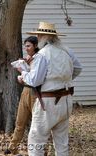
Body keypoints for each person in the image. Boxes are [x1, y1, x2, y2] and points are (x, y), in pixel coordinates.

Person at [18, 22, 82, 155]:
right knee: (61, 142)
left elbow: (35, 81)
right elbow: (77, 68)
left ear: (42, 36)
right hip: (66, 100)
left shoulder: (42, 54)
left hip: (48, 103)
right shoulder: (66, 51)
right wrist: (62, 81)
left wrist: (23, 74)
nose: (37, 37)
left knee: (36, 140)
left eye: (38, 35)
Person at [7, 36, 40, 154]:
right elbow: (27, 77)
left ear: (35, 46)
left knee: (37, 123)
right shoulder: (27, 58)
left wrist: (23, 72)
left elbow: (36, 78)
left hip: (36, 93)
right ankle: (12, 147)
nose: (26, 48)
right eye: (25, 46)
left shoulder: (39, 59)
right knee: (20, 121)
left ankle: (41, 149)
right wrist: (21, 78)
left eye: (29, 46)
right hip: (25, 91)